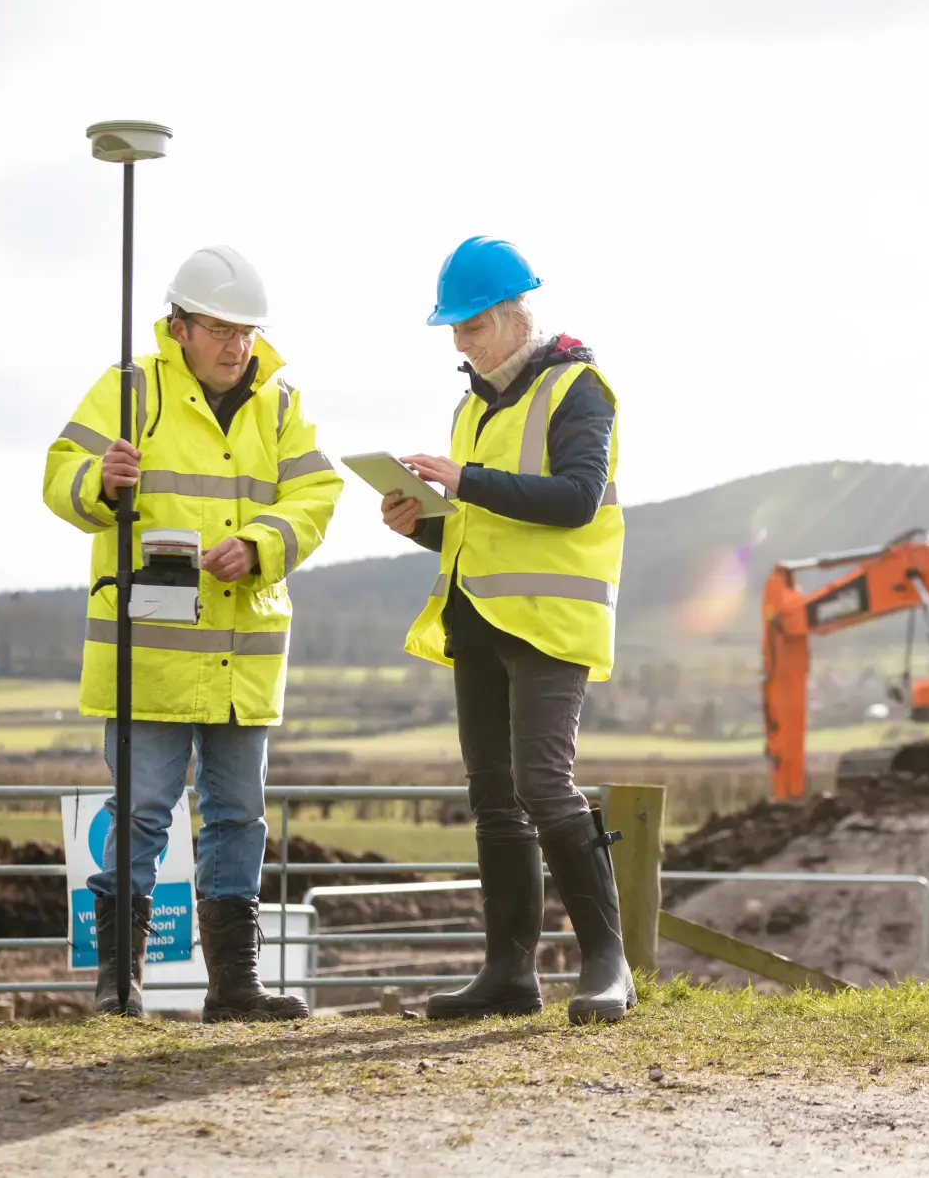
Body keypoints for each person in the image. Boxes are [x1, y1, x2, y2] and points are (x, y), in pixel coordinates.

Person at [43, 245, 343, 1020]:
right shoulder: (128, 389)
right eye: (219, 328)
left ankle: (235, 988)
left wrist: (263, 542)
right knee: (141, 813)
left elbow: (317, 491)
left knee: (239, 816)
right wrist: (96, 480)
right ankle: (119, 985)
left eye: (246, 330)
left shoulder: (281, 403)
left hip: (243, 655)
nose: (235, 344)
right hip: (151, 654)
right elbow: (59, 472)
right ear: (179, 327)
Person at [382, 235, 632, 1026]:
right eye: (453, 330)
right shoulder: (472, 406)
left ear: (513, 316)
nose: (461, 342)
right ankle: (508, 973)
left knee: (542, 785)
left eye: (472, 327)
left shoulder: (578, 389)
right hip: (478, 615)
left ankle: (607, 964)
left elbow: (574, 500)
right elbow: (480, 526)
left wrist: (465, 480)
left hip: (550, 621)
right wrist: (421, 523)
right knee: (493, 797)